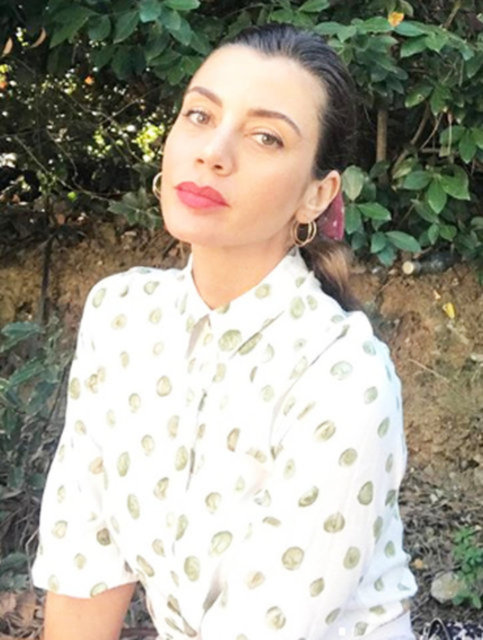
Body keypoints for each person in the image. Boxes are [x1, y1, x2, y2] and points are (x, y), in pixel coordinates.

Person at [32, 23, 419, 640]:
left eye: (266, 137)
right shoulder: (120, 315)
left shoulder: (341, 376)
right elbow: (86, 562)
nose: (214, 151)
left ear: (316, 195)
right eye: (200, 115)